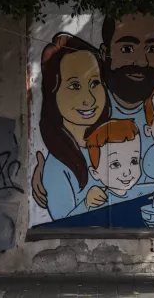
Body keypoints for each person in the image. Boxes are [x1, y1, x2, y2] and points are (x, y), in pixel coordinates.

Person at [31, 11, 154, 210]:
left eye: (151, 48)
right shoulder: (92, 112)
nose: (141, 61)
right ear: (104, 51)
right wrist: (52, 176)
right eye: (127, 48)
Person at [37, 33, 111, 220]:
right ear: (53, 92)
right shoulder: (58, 165)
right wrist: (86, 203)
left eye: (94, 83)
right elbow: (61, 221)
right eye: (74, 86)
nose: (89, 99)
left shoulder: (111, 142)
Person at [85, 118, 154, 211]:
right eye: (116, 164)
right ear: (94, 173)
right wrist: (87, 203)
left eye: (134, 161)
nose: (127, 172)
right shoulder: (99, 198)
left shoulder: (137, 191)